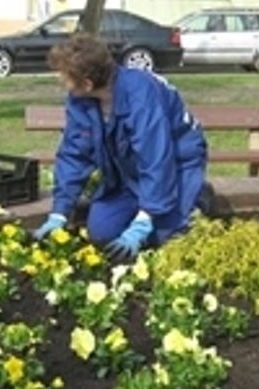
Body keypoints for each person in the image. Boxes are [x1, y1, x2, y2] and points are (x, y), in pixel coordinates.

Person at [32, 34, 208, 259]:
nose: (61, 81)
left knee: (164, 238)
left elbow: (156, 159)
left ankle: (195, 197)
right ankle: (148, 203)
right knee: (102, 231)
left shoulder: (140, 96)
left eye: (65, 76)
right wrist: (60, 212)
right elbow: (74, 153)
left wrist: (144, 221)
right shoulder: (80, 100)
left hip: (177, 162)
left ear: (87, 83)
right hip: (127, 169)